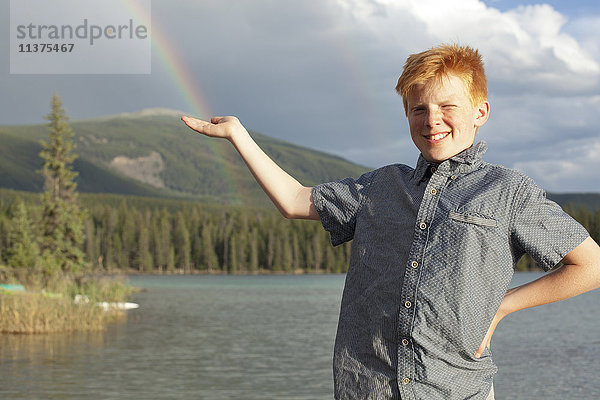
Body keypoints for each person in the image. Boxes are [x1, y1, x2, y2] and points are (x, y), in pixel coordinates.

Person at [181, 43, 600, 400]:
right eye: (418, 109)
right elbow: (293, 200)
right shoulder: (379, 187)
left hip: (456, 390)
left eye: (447, 106)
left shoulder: (508, 191)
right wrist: (239, 135)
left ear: (480, 111)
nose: (431, 119)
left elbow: (591, 265)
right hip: (367, 387)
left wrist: (501, 308)